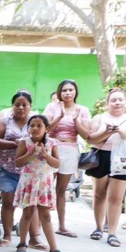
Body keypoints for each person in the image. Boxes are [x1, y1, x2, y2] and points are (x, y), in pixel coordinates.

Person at [13, 114, 67, 252]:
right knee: (27, 213)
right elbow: (18, 162)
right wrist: (30, 153)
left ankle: (54, 250)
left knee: (46, 216)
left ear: (47, 128)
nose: (35, 128)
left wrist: (46, 155)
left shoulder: (52, 143)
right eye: (32, 125)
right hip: (29, 182)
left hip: (44, 184)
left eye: (39, 126)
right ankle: (22, 243)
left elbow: (57, 164)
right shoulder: (24, 142)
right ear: (28, 128)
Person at [85, 88, 126, 247]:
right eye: (113, 100)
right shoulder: (99, 118)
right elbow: (90, 139)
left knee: (116, 198)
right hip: (102, 157)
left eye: (120, 100)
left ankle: (112, 233)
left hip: (123, 159)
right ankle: (98, 228)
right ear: (108, 103)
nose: (117, 103)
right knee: (99, 195)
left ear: (125, 102)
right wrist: (106, 132)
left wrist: (122, 131)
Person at [43, 79, 90, 238]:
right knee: (45, 187)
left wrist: (76, 121)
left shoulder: (83, 110)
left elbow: (87, 135)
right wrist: (59, 116)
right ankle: (38, 224)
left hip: (70, 150)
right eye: (64, 90)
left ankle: (62, 226)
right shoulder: (52, 107)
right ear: (59, 92)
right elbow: (44, 129)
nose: (67, 93)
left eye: (71, 90)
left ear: (76, 92)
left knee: (61, 190)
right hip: (51, 148)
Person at [0, 90, 32, 247]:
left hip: (28, 171)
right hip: (4, 168)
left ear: (30, 106)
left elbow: (43, 140)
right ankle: (7, 235)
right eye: (17, 105)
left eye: (24, 105)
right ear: (12, 106)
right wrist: (14, 144)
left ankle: (32, 238)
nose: (20, 108)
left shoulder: (35, 122)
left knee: (29, 205)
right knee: (8, 201)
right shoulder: (5, 121)